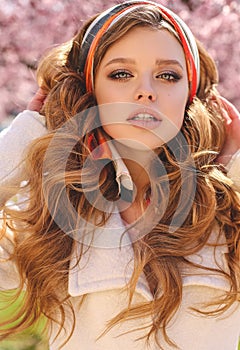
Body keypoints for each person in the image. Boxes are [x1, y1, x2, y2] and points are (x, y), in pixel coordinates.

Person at [0, 1, 240, 349]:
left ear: (190, 95)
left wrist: (234, 162)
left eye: (168, 75)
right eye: (121, 74)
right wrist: (27, 135)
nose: (146, 91)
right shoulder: (52, 214)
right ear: (89, 91)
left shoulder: (227, 215)